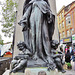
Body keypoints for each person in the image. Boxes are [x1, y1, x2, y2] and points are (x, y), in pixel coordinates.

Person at [18, 0, 55, 66]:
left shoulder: (44, 3)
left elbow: (49, 13)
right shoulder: (32, 2)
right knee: (33, 36)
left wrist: (49, 15)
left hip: (43, 21)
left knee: (45, 36)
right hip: (33, 19)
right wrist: (24, 18)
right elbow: (27, 12)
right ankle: (35, 53)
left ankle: (47, 55)